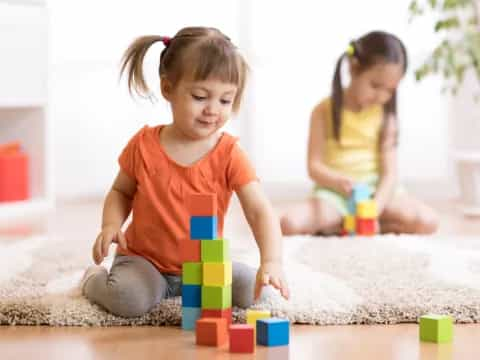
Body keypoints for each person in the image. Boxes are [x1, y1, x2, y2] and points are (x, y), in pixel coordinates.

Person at [80, 27, 289, 318]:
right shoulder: (143, 145)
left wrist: (272, 261)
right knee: (127, 300)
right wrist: (110, 225)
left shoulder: (230, 153)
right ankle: (92, 279)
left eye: (225, 100)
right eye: (200, 96)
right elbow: (121, 191)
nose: (212, 110)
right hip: (146, 262)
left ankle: (233, 282)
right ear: (168, 89)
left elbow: (259, 210)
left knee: (256, 293)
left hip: (205, 267)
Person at [280, 31, 438, 236]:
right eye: (375, 85)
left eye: (390, 90)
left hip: (377, 192)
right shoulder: (322, 111)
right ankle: (349, 222)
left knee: (428, 221)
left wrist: (374, 209)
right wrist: (338, 181)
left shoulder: (386, 117)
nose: (382, 96)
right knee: (289, 224)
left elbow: (390, 175)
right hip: (335, 194)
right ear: (354, 69)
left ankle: (351, 225)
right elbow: (314, 166)